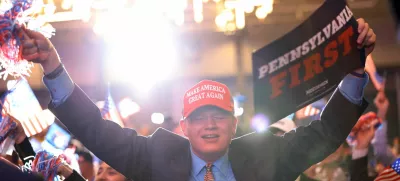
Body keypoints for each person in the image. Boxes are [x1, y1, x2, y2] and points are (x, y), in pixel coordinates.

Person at [19, 18, 375, 181]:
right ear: (185, 125)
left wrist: (355, 70)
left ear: (234, 124)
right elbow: (93, 129)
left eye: (218, 116)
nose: (209, 124)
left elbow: (326, 133)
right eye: (200, 117)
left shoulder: (267, 153)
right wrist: (52, 65)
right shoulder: (153, 156)